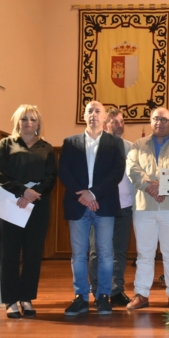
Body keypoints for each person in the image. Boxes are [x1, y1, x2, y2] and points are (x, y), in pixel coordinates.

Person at [59, 101, 125, 316]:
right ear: (84, 115)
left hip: (103, 204)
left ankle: (103, 296)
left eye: (98, 111)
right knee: (79, 254)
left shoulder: (115, 143)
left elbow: (116, 173)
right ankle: (80, 297)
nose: (94, 114)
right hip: (78, 205)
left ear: (104, 117)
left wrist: (94, 194)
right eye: (90, 111)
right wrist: (84, 195)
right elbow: (65, 172)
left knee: (106, 253)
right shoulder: (70, 143)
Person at [126, 107, 169, 310]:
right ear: (151, 121)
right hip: (145, 207)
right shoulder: (138, 144)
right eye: (155, 119)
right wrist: (151, 187)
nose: (159, 122)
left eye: (163, 119)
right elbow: (133, 169)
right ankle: (141, 294)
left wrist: (163, 186)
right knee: (144, 253)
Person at [0, 105, 57, 318]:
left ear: (38, 123)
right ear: (18, 121)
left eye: (32, 119)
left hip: (38, 206)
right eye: (24, 119)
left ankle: (27, 297)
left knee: (33, 254)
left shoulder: (47, 147)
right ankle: (11, 300)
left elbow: (51, 176)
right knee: (10, 254)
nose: (28, 123)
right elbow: (1, 173)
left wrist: (34, 193)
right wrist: (22, 191)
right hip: (11, 205)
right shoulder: (6, 145)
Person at [88, 108, 134, 306]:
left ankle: (117, 290)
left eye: (122, 121)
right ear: (105, 125)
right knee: (98, 250)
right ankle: (98, 289)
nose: (119, 125)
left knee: (120, 251)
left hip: (125, 206)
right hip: (101, 206)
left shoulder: (131, 147)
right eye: (114, 122)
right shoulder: (95, 146)